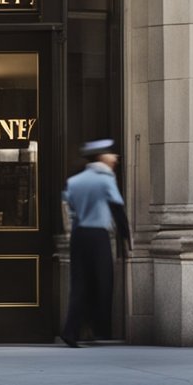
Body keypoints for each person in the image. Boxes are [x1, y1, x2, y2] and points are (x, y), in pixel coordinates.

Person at [61, 138, 131, 347]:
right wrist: (126, 237)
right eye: (111, 153)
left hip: (78, 235)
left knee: (80, 284)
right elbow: (118, 209)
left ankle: (73, 331)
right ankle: (98, 328)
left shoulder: (74, 181)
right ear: (101, 156)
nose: (115, 157)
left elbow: (69, 208)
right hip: (98, 236)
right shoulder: (106, 179)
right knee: (103, 281)